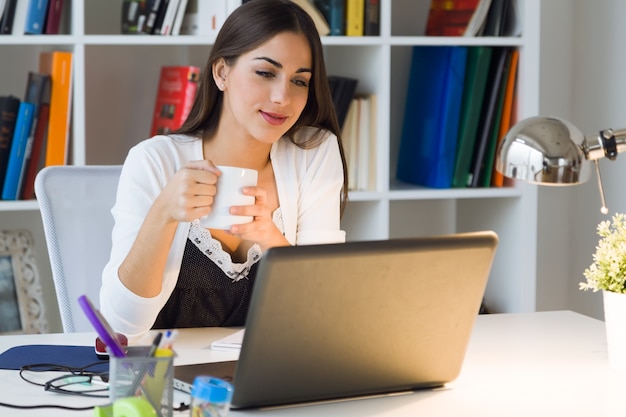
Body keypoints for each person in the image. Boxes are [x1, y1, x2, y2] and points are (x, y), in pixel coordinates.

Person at [100, 0, 349, 341]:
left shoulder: (313, 153)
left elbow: (324, 310)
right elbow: (122, 326)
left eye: (299, 81)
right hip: (164, 377)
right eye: (265, 73)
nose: (282, 97)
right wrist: (164, 213)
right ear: (222, 72)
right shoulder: (155, 160)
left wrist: (273, 240)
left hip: (269, 376)